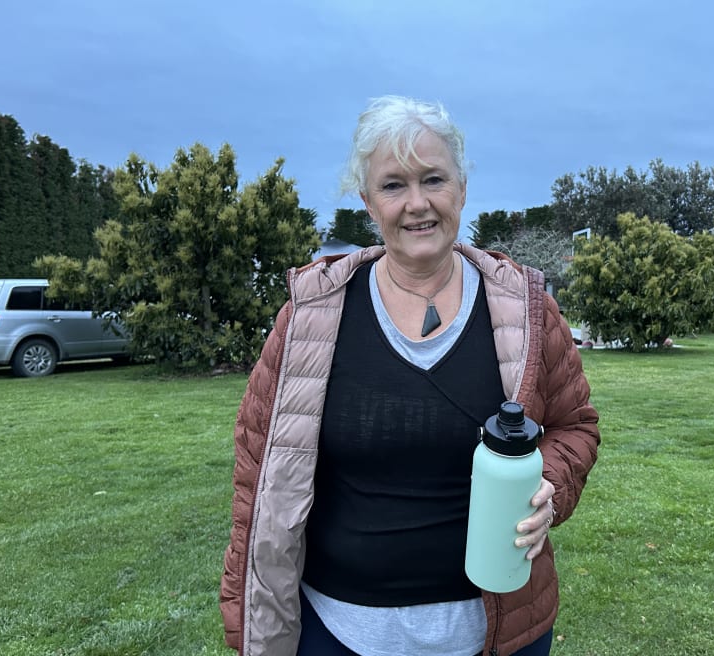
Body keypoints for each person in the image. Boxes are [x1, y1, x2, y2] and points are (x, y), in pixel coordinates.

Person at [220, 95, 600, 656]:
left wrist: (552, 484)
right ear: (369, 203)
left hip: (498, 631)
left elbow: (576, 426)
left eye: (433, 180)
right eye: (393, 185)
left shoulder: (525, 308)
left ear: (462, 190)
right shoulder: (311, 315)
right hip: (336, 632)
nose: (417, 203)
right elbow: (258, 466)